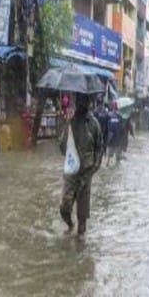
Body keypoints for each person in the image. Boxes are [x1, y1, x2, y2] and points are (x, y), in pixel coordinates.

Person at [59, 93, 104, 236]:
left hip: (86, 173)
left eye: (84, 101)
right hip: (71, 172)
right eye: (79, 101)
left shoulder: (94, 124)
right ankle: (70, 225)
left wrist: (95, 167)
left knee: (82, 217)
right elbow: (61, 146)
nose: (81, 104)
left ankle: (79, 246)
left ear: (88, 103)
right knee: (64, 207)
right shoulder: (70, 122)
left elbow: (99, 148)